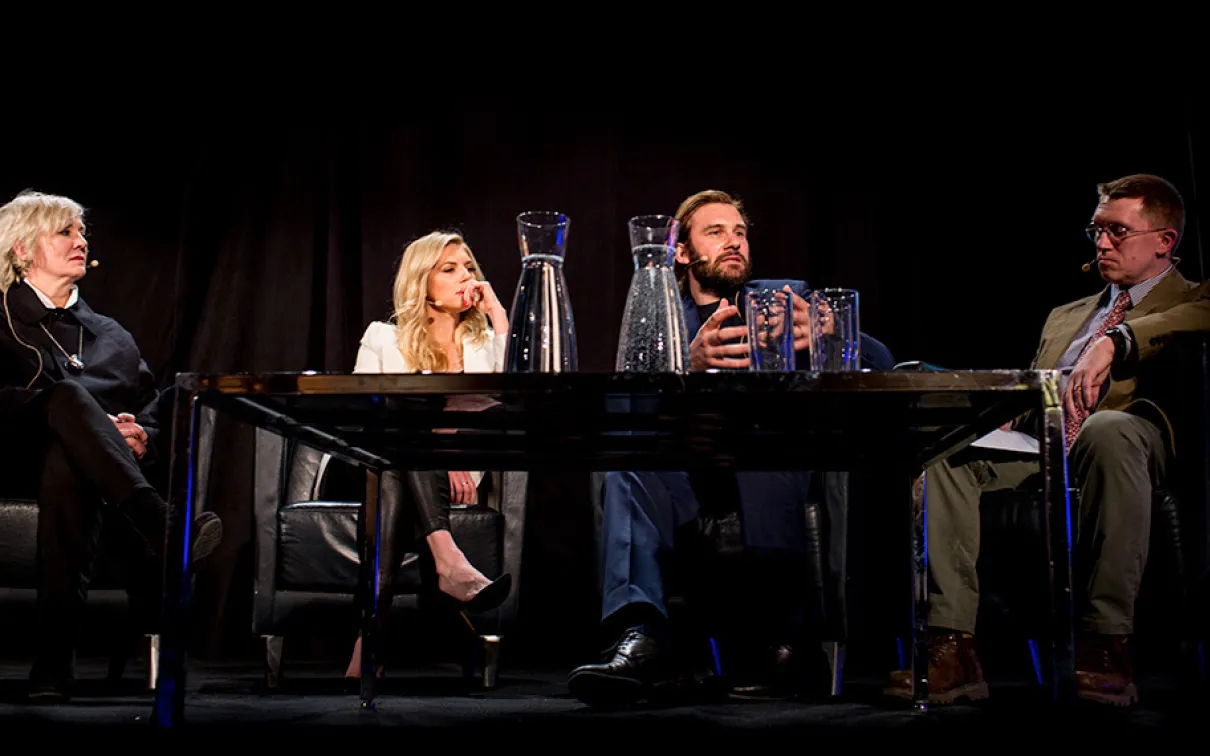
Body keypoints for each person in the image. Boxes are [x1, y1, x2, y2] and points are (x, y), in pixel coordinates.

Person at [883, 174, 1210, 707]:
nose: (1102, 244)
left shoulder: (1196, 297)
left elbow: (1194, 318)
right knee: (942, 448)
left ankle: (1107, 644)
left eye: (1118, 232)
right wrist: (1001, 421)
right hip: (1046, 445)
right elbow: (1034, 394)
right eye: (1096, 231)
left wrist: (1116, 340)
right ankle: (953, 648)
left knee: (1107, 430)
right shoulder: (1065, 316)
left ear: (1165, 241)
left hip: (1127, 440)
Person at [568, 190, 895, 706]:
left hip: (772, 469)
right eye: (715, 232)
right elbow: (623, 407)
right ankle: (643, 637)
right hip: (689, 482)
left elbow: (883, 364)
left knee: (766, 448)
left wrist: (834, 330)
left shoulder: (783, 303)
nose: (733, 242)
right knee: (627, 462)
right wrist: (685, 371)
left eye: (740, 232)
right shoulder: (662, 320)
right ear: (681, 252)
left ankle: (783, 640)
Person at [0, 190, 223, 702]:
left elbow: (151, 406)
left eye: (82, 233)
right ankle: (165, 528)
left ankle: (52, 669)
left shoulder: (111, 335)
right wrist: (80, 417)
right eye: (65, 232)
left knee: (69, 467)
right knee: (68, 399)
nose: (81, 241)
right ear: (21, 250)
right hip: (14, 460)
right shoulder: (2, 321)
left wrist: (139, 436)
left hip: (89, 478)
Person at [342, 230, 513, 677]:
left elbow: (518, 388)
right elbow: (360, 412)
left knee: (400, 468)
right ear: (422, 281)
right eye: (449, 268)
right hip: (377, 463)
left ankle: (368, 641)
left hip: (440, 472)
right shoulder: (383, 337)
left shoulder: (483, 346)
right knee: (399, 428)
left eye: (470, 268)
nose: (465, 277)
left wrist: (497, 313)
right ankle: (449, 560)